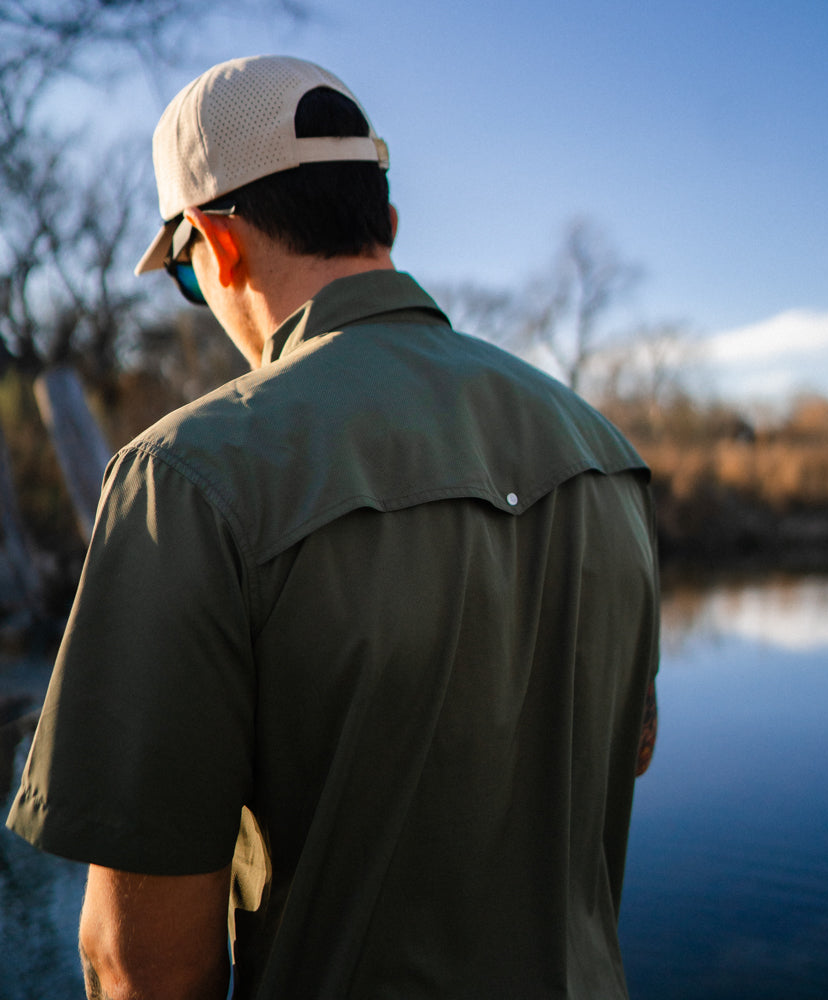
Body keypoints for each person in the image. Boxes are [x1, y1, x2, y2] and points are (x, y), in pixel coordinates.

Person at [6, 55, 659, 999]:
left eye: (187, 276)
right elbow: (628, 746)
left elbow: (142, 962)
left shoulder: (183, 477)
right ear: (385, 224)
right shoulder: (605, 450)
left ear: (214, 244)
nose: (202, 295)